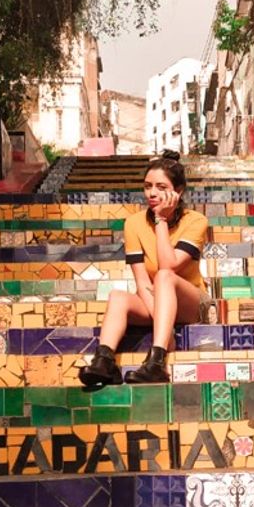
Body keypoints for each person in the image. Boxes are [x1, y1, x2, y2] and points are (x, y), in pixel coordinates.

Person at [78, 150, 210, 386]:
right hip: (156, 301)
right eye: (148, 186)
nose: (152, 193)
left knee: (164, 276)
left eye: (161, 186)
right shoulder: (133, 223)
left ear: (178, 191)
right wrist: (165, 325)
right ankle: (104, 361)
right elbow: (141, 282)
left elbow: (169, 266)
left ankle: (157, 360)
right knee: (118, 296)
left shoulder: (196, 221)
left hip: (193, 304)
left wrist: (161, 220)